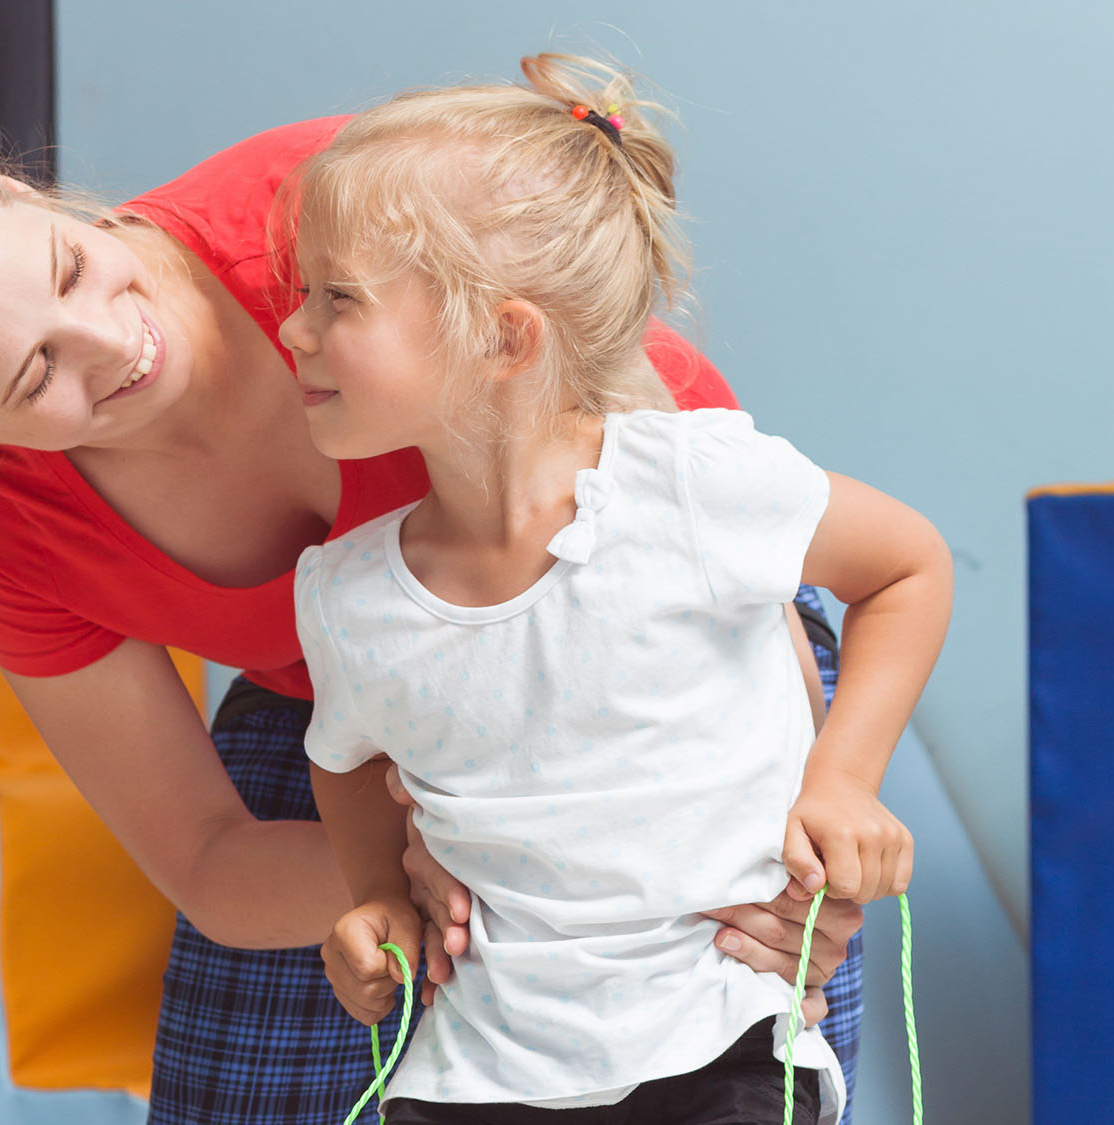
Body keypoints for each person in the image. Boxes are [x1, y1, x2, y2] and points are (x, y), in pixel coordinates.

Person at [0, 83, 869, 1125]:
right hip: (361, 721)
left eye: (69, 268)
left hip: (665, 669)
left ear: (31, 194)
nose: (111, 340)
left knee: (724, 1028)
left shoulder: (331, 212)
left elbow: (715, 573)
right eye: (36, 373)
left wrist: (749, 855)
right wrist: (394, 886)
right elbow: (207, 861)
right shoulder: (10, 535)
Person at [284, 57, 952, 1124]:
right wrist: (375, 902)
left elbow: (906, 565)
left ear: (504, 337)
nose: (293, 329)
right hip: (466, 1081)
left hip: (717, 1052)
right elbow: (345, 764)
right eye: (298, 292)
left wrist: (841, 780)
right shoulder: (346, 595)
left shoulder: (690, 487)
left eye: (336, 298)